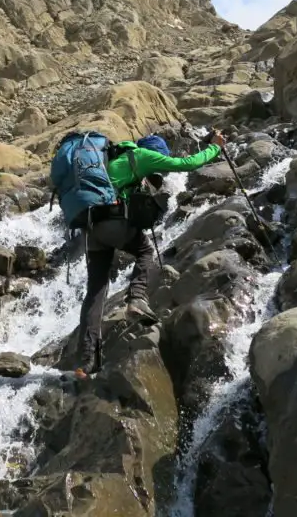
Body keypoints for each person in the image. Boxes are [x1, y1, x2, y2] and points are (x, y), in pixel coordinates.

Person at [75, 130, 226, 377]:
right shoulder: (144, 155)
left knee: (96, 291)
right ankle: (136, 299)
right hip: (111, 222)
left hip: (91, 229)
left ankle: (86, 363)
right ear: (156, 152)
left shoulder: (114, 158)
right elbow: (187, 164)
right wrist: (215, 148)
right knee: (145, 251)